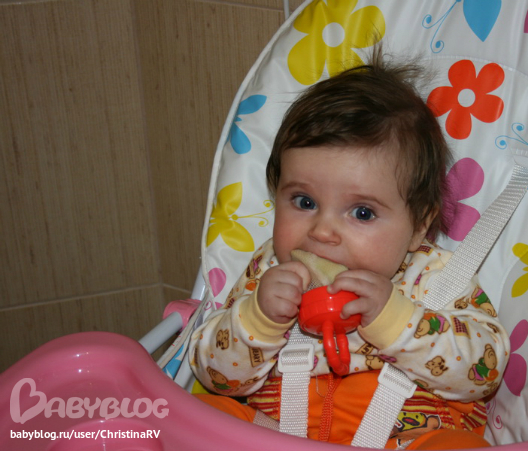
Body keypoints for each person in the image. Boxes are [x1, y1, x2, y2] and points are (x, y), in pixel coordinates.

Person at [189, 50, 509, 450]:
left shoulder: (438, 279)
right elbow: (215, 376)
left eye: (362, 212)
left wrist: (396, 321)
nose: (322, 231)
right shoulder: (268, 270)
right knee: (194, 415)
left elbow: (485, 373)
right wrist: (259, 319)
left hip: (405, 440)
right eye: (304, 202)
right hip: (275, 435)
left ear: (418, 226)